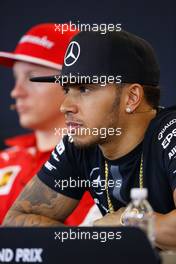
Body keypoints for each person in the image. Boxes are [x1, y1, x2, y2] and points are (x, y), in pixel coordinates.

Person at [3, 30, 176, 250]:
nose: (65, 106)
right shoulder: (78, 143)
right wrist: (93, 242)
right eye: (67, 89)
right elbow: (16, 220)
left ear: (132, 98)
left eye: (84, 89)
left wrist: (128, 221)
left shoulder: (171, 133)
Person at [0, 23, 100, 225]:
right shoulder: (6, 160)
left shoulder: (103, 164)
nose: (16, 92)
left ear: (76, 83)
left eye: (32, 77)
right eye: (15, 78)